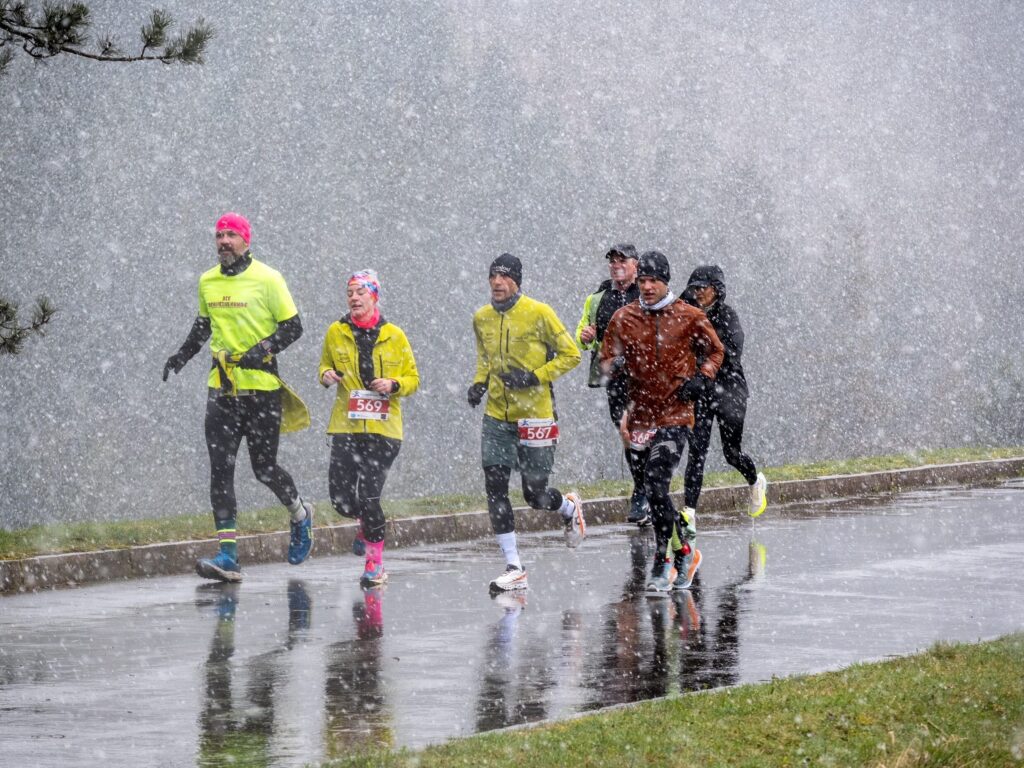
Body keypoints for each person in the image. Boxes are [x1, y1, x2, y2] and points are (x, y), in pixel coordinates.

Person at [163, 212, 314, 583]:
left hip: (262, 391)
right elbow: (203, 326)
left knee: (264, 469)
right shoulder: (207, 281)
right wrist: (181, 356)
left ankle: (300, 515)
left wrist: (262, 349)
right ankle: (228, 556)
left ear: (247, 240)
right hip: (222, 390)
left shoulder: (268, 278)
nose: (224, 241)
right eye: (219, 235)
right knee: (221, 471)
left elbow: (294, 327)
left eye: (231, 234)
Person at [599, 250, 724, 593]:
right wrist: (615, 372)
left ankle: (662, 557)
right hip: (640, 414)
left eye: (654, 280)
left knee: (656, 481)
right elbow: (606, 357)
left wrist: (703, 377)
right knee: (654, 493)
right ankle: (683, 544)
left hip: (675, 412)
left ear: (666, 281)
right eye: (643, 281)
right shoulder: (624, 318)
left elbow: (716, 351)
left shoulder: (689, 316)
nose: (647, 286)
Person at [468, 253, 584, 593]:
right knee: (495, 487)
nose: (497, 283)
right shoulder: (481, 317)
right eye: (493, 276)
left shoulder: (539, 313)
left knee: (534, 494)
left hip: (536, 416)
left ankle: (567, 507)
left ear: (517, 281)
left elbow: (571, 354)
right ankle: (514, 566)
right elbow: (484, 360)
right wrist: (478, 384)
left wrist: (534, 377)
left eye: (504, 277)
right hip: (496, 418)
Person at [319, 270, 419, 588]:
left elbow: (413, 380)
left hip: (384, 430)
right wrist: (325, 376)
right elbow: (323, 366)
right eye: (349, 292)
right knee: (341, 499)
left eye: (360, 291)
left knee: (369, 495)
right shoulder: (335, 331)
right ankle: (365, 525)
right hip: (346, 426)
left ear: (374, 296)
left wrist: (393, 383)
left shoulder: (395, 335)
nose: (354, 297)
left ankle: (375, 564)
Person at [681, 265, 767, 518]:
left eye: (702, 288)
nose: (697, 292)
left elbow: (732, 353)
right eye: (694, 288)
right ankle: (689, 513)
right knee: (697, 453)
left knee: (732, 453)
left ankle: (755, 481)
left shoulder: (728, 316)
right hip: (701, 392)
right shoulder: (687, 315)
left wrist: (706, 348)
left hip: (730, 391)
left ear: (717, 290)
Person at [574, 243, 648, 525]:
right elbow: (586, 336)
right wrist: (586, 337)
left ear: (635, 265)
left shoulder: (645, 292)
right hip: (613, 377)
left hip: (644, 375)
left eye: (622, 260)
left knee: (641, 431)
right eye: (612, 261)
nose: (616, 265)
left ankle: (644, 492)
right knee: (626, 432)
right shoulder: (597, 298)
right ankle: (643, 486)